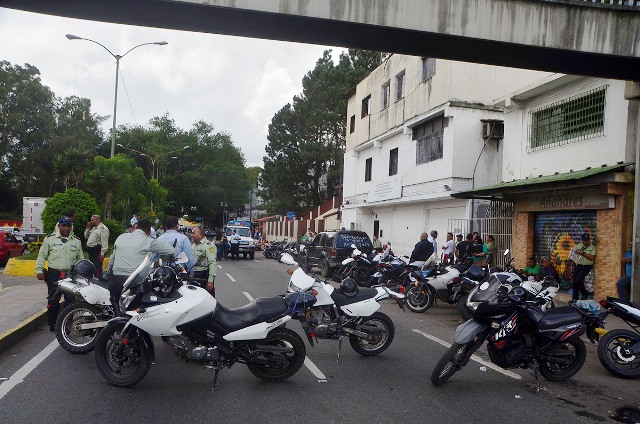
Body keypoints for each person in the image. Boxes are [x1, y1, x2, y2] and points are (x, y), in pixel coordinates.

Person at [108, 219, 175, 312]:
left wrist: (111, 276)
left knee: (116, 307)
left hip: (116, 280)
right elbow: (171, 251)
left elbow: (112, 259)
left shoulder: (121, 237)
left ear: (137, 227)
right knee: (145, 306)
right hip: (134, 283)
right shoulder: (148, 241)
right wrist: (163, 258)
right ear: (149, 231)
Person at [35, 216, 84, 331]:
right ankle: (52, 325)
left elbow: (80, 259)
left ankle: (67, 325)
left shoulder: (76, 241)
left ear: (71, 227)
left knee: (70, 302)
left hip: (70, 276)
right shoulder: (50, 239)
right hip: (54, 275)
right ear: (59, 226)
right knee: (53, 301)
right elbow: (42, 256)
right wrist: (39, 270)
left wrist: (81, 274)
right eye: (64, 226)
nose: (66, 228)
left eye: (68, 226)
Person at [191, 227, 217, 297]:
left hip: (203, 275)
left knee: (207, 299)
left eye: (193, 233)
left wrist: (210, 281)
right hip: (193, 275)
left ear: (200, 234)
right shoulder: (193, 246)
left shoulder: (208, 246)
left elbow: (212, 263)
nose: (191, 235)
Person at [572, 233, 596, 301]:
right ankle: (574, 298)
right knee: (574, 282)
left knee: (578, 280)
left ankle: (584, 292)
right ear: (582, 240)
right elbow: (573, 254)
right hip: (578, 265)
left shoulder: (592, 247)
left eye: (588, 240)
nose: (587, 241)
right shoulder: (578, 246)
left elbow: (592, 258)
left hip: (587, 266)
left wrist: (582, 253)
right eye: (585, 240)